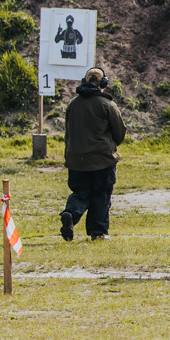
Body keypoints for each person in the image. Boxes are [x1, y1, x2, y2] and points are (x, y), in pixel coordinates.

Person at [60, 67, 126, 243]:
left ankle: (70, 214)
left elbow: (68, 133)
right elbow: (119, 133)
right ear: (103, 84)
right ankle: (98, 233)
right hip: (102, 160)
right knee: (100, 195)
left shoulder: (72, 104)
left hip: (75, 160)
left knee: (80, 193)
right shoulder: (108, 105)